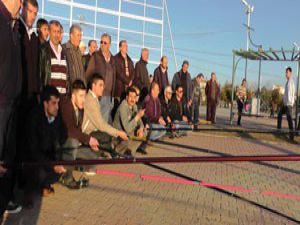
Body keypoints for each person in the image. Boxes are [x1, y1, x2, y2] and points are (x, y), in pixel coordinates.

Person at [23, 86, 66, 207]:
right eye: (53, 103)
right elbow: (33, 150)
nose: (57, 106)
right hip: (31, 159)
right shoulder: (34, 117)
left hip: (48, 155)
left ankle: (45, 185)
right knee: (38, 171)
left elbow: (63, 134)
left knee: (64, 162)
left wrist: (58, 157)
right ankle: (28, 194)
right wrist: (52, 164)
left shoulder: (56, 114)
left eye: (58, 103)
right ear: (45, 103)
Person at [0, 0, 23, 219]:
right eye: (20, 0)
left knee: (7, 160)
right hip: (1, 104)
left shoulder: (13, 25)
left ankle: (4, 201)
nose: (22, 3)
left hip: (11, 104)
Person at [59, 80, 100, 189]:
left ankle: (72, 166)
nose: (83, 100)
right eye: (81, 96)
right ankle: (66, 177)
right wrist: (88, 139)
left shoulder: (80, 109)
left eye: (84, 96)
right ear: (73, 96)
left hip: (72, 144)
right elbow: (69, 130)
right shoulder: (66, 105)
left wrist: (88, 142)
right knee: (73, 142)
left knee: (94, 155)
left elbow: (79, 131)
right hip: (59, 144)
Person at [82, 73, 128, 159]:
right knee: (106, 135)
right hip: (86, 134)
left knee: (107, 134)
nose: (103, 88)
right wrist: (118, 133)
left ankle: (108, 152)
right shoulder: (91, 100)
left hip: (91, 131)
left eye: (103, 85)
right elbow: (101, 125)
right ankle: (110, 152)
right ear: (93, 85)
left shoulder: (94, 99)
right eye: (100, 85)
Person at [86, 33, 116, 123]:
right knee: (96, 121)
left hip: (108, 96)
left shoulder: (113, 59)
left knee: (104, 122)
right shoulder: (96, 56)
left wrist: (113, 96)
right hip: (98, 95)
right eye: (101, 42)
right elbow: (88, 74)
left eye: (105, 43)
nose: (102, 44)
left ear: (109, 45)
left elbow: (115, 77)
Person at [113, 87, 147, 156]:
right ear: (126, 97)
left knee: (144, 132)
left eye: (134, 97)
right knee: (129, 134)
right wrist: (138, 116)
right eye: (130, 97)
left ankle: (129, 150)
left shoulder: (134, 106)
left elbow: (140, 122)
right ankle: (117, 150)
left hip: (127, 133)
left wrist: (141, 128)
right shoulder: (123, 107)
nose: (132, 99)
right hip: (118, 136)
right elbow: (127, 128)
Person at [40, 20, 69, 95]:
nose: (56, 35)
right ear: (49, 32)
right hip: (49, 97)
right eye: (54, 31)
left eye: (58, 32)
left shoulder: (64, 52)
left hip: (63, 98)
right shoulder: (43, 50)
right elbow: (40, 74)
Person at [113, 40, 135, 116]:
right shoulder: (115, 58)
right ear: (120, 47)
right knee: (117, 109)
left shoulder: (130, 60)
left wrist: (131, 80)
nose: (126, 47)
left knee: (126, 111)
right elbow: (118, 72)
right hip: (119, 89)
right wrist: (127, 81)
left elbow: (133, 72)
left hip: (128, 89)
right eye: (124, 46)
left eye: (127, 46)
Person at [277, 67, 295, 141]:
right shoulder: (287, 82)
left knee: (289, 119)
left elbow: (291, 94)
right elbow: (286, 94)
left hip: (288, 104)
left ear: (290, 73)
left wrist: (289, 103)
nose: (286, 74)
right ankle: (279, 130)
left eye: (287, 72)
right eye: (286, 72)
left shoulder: (291, 82)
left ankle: (291, 136)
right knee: (279, 114)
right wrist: (283, 101)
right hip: (285, 104)